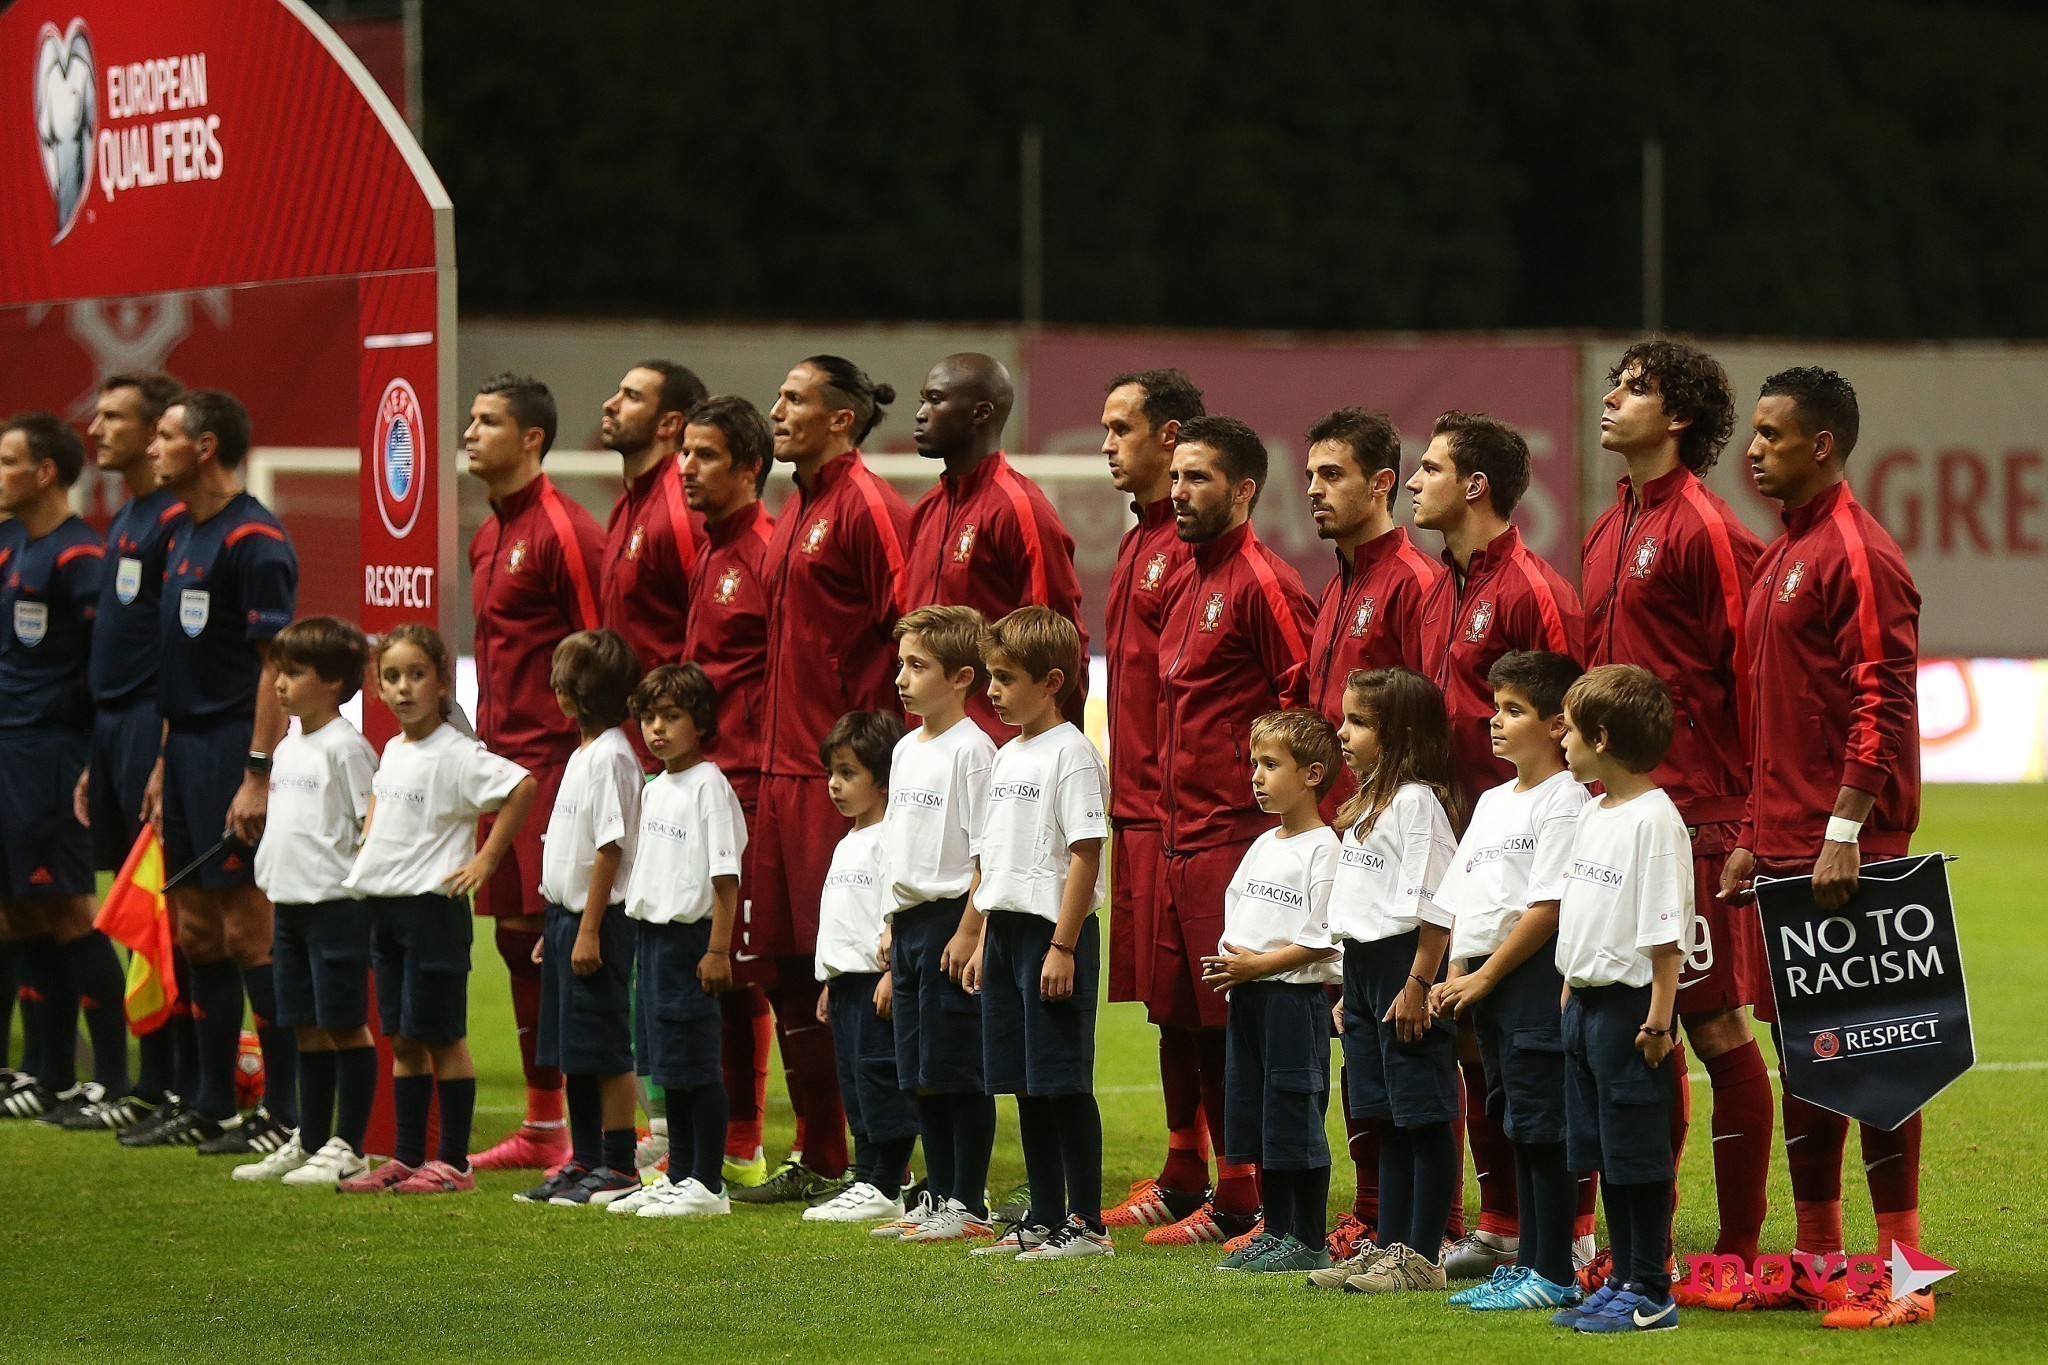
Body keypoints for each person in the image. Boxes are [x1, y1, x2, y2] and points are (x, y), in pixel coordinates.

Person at [1716, 368, 1930, 1330]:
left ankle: (1904, 1264)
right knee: (1808, 1052)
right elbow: (1777, 714)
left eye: (1769, 434)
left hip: (1848, 842)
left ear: (1824, 445)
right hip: (1788, 841)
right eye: (1752, 433)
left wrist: (1845, 827)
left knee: (1875, 1047)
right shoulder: (1781, 554)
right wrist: (1755, 838)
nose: (1751, 448)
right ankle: (1816, 1253)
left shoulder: (1857, 551)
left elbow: (1880, 695)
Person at [1583, 340, 1774, 1279]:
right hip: (1614, 819)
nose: (1612, 399)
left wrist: (1744, 819)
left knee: (1712, 1023)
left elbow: (1752, 676)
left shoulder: (1706, 528)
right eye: (1615, 383)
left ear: (1680, 419)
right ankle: (1644, 1240)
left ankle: (1737, 1247)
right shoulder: (1605, 525)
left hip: (1696, 820)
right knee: (1624, 1018)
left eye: (1636, 389)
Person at [1408, 408, 1584, 1271]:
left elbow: (1571, 730)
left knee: (1538, 1049)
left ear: (1475, 485)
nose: (1414, 481)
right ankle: (1506, 1220)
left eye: (1431, 468)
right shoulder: (1440, 583)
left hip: (1530, 852)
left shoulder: (1533, 591)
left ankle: (1567, 1233)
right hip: (1465, 842)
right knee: (1474, 1039)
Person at [739, 356, 911, 1203]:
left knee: (842, 967)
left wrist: (880, 768)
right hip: (778, 776)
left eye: (794, 398)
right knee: (778, 964)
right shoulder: (792, 510)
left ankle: (886, 1154)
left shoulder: (869, 506)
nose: (777, 409)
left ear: (841, 419)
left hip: (836, 779)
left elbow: (907, 628)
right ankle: (821, 1150)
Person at [1145, 415, 1314, 1247]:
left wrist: (1292, 828)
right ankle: (1204, 1181)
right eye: (1176, 476)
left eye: (1199, 477)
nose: (1179, 491)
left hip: (1234, 837)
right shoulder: (1181, 579)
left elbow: (1304, 703)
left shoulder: (1263, 580)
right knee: (1177, 1015)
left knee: (1231, 1022)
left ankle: (1246, 1194)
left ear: (1244, 490)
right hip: (1176, 834)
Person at [1287, 405, 1447, 1256]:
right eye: (1309, 475)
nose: (1313, 490)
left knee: (1421, 1048)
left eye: (1333, 474)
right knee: (1366, 1053)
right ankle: (1383, 1216)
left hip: (1404, 851)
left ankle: (1441, 1223)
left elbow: (1423, 723)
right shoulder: (1338, 585)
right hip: (1358, 843)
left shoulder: (1413, 582)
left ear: (1383, 482)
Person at [134, 391, 301, 1154]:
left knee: (248, 929)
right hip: (188, 750)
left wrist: (257, 772)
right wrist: (167, 759)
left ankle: (284, 1111)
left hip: (238, 746)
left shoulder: (256, 540)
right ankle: (211, 1102)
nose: (152, 448)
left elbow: (276, 669)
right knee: (195, 927)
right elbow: (181, 659)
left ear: (205, 447)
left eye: (165, 436)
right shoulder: (183, 535)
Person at [338, 625, 538, 1195]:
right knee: (402, 1038)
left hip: (432, 911)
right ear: (377, 688)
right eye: (392, 677)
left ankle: (454, 1161)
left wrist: (487, 858)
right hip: (388, 908)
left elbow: (521, 786)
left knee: (443, 1037)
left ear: (443, 681)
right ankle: (406, 1156)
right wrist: (370, 838)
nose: (404, 689)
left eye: (417, 675)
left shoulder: (458, 754)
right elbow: (382, 796)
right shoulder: (396, 749)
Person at [464, 372, 605, 1171]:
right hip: (499, 769)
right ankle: (544, 1124)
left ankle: (610, 1121)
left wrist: (594, 768)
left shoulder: (564, 530)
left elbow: (600, 649)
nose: (469, 433)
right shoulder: (489, 532)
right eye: (469, 421)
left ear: (532, 439)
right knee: (518, 942)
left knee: (569, 940)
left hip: (555, 769)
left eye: (487, 422)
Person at [1429, 651, 1593, 1311]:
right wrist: (1456, 971)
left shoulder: (1566, 800)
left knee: (1542, 1124)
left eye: (1513, 710)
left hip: (1531, 980)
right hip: (1491, 987)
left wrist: (1486, 973)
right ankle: (1527, 1260)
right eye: (1495, 706)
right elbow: (1464, 894)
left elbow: (1547, 907)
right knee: (1516, 1120)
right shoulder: (1494, 801)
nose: (1493, 721)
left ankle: (1553, 1268)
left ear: (1558, 724)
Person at [1097, 369, 1210, 1230]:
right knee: (1168, 1006)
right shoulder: (1138, 538)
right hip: (1138, 808)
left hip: (1192, 815)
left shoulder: (1195, 547)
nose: (1106, 443)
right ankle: (1184, 1167)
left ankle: (1235, 1179)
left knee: (1208, 1006)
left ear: (1169, 436)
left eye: (1121, 427)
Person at [1548, 664, 1691, 1335]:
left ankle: (1653, 1290)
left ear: (1602, 736)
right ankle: (1625, 1275)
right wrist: (1571, 984)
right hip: (1585, 1008)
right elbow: (1586, 908)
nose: (1562, 741)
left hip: (1633, 1013)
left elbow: (1667, 933)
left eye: (1570, 730)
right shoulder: (1592, 811)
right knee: (1606, 1152)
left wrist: (1660, 1018)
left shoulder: (1655, 820)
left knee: (1639, 1155)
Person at [966, 607, 1112, 1261]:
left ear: (1051, 680)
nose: (993, 690)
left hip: (1054, 938)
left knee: (1062, 1081)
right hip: (1007, 936)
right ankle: (1045, 1216)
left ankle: (1087, 1224)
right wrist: (978, 934)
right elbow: (994, 857)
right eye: (991, 676)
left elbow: (1085, 852)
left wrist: (1062, 943)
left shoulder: (1073, 754)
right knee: (1024, 1081)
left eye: (1006, 677)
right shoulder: (1005, 754)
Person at [69, 372, 193, 1133]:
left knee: (170, 908)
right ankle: (152, 1080)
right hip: (113, 727)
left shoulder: (178, 519)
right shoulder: (127, 515)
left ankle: (182, 1081)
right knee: (131, 906)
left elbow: (180, 646)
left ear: (155, 434)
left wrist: (159, 749)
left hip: (155, 724)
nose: (97, 427)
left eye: (114, 416)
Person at [1319, 670, 1462, 1295]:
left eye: (1358, 723)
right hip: (1368, 972)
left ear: (1398, 732)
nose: (1341, 735)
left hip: (1407, 968)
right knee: (1386, 1117)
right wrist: (1356, 988)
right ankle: (1389, 1245)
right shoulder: (1367, 806)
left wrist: (1417, 982)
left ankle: (1423, 1255)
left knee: (1422, 1116)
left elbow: (1437, 907)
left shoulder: (1416, 804)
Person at [0, 413, 120, 1123]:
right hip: (8, 743)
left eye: (8, 461)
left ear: (45, 471)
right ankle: (43, 1072)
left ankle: (104, 1077)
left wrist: (79, 739)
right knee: (17, 911)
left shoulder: (82, 558)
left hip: (49, 750)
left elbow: (99, 662)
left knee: (67, 906)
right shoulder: (10, 543)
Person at [871, 605, 997, 1244]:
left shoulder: (973, 752)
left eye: (918, 666)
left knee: (957, 1069)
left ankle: (968, 1202)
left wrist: (970, 929)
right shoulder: (903, 749)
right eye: (901, 664)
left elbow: (984, 852)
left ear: (961, 677)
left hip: (953, 922)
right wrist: (891, 926)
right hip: (913, 925)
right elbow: (898, 843)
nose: (903, 678)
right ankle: (937, 1194)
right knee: (919, 1071)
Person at [678, 395, 778, 1189]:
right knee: (699, 957)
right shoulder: (711, 551)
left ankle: (746, 1137)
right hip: (704, 778)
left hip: (750, 781)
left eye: (704, 454)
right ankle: (702, 1129)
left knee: (746, 964)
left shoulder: (763, 551)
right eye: (683, 451)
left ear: (750, 467)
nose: (686, 467)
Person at [1201, 709, 1340, 1274]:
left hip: (1292, 1002)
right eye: (1254, 763)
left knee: (1294, 1116)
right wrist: (1240, 967)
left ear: (1311, 774)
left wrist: (1256, 967)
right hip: (1252, 999)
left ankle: (1305, 1235)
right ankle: (1274, 1229)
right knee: (1260, 1119)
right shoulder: (1262, 844)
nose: (1255, 776)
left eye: (1271, 764)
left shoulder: (1324, 848)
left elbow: (1324, 939)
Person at [242, 617, 379, 1187]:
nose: (278, 683)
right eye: (277, 670)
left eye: (293, 673)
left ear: (331, 682)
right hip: (290, 905)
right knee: (303, 1023)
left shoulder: (347, 748)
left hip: (335, 907)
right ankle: (312, 1137)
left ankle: (350, 1146)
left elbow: (369, 824)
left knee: (345, 1024)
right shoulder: (289, 743)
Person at [613, 663, 746, 1220]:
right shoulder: (656, 787)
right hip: (653, 940)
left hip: (691, 942)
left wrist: (717, 950)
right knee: (666, 1066)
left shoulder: (708, 787)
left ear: (701, 722)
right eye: (648, 717)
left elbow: (725, 878)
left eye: (671, 716)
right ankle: (681, 1172)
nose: (657, 728)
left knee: (695, 1065)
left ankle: (707, 1183)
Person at [518, 629, 646, 1208]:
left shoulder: (613, 756)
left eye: (567, 682)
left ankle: (619, 1163)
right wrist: (559, 927)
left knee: (605, 1047)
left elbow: (610, 847)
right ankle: (585, 1157)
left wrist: (590, 928)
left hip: (599, 922)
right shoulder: (585, 753)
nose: (558, 691)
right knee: (577, 1050)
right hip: (569, 920)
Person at [903, 353, 1086, 739]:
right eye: (923, 400)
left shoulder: (1019, 510)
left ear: (980, 413)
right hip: (926, 745)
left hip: (995, 749)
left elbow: (1056, 644)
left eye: (935, 400)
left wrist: (1054, 751)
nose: (920, 413)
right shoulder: (925, 511)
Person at [802, 709, 914, 1226]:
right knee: (853, 1083)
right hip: (846, 986)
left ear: (883, 781)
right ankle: (866, 1173)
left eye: (848, 774)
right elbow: (846, 920)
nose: (834, 785)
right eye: (832, 772)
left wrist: (891, 973)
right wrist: (831, 979)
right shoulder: (849, 840)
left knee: (879, 1081)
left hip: (876, 987)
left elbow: (894, 915)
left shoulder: (891, 838)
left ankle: (885, 1180)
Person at [598, 360, 708, 674]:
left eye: (631, 397)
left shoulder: (681, 512)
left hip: (664, 716)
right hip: (626, 718)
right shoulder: (625, 506)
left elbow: (708, 631)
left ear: (668, 425)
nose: (610, 405)